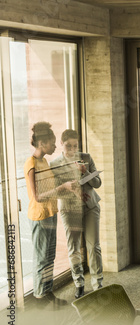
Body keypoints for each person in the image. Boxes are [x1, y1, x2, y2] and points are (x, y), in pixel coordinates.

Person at [24, 122, 74, 308]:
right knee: (41, 258)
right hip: (39, 216)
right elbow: (37, 196)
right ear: (42, 142)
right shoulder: (31, 163)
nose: (55, 146)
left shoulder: (44, 162)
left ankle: (48, 292)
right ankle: (39, 297)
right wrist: (62, 188)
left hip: (51, 213)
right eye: (52, 143)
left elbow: (50, 189)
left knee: (50, 256)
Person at [50, 129, 103, 299]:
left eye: (75, 145)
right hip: (69, 209)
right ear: (61, 144)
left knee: (93, 246)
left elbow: (97, 183)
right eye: (68, 146)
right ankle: (79, 283)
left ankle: (97, 283)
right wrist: (71, 189)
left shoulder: (85, 158)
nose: (72, 149)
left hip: (90, 207)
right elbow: (55, 191)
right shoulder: (54, 164)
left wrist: (84, 172)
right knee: (73, 248)